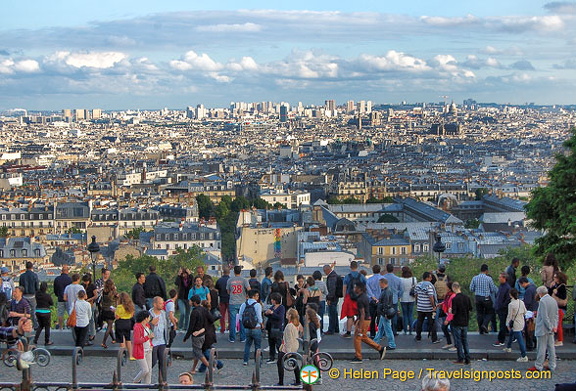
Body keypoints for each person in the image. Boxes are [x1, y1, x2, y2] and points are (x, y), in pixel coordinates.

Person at [350, 281, 386, 363]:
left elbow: (362, 313)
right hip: (366, 319)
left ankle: (358, 356)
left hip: (364, 320)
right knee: (363, 337)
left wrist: (359, 326)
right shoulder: (365, 297)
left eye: (356, 287)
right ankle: (379, 348)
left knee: (358, 337)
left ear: (359, 289)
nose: (354, 289)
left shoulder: (360, 299)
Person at [528, 286, 559, 372]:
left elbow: (544, 317)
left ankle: (538, 365)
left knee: (541, 348)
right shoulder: (553, 300)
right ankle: (552, 364)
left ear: (540, 293)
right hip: (552, 327)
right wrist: (554, 326)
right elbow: (556, 315)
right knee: (551, 348)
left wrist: (549, 326)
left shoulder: (542, 301)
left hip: (543, 328)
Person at [184, 295, 210, 374]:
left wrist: (186, 337)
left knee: (198, 352)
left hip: (196, 335)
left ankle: (210, 366)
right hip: (203, 334)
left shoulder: (194, 312)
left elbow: (191, 326)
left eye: (190, 301)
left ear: (194, 302)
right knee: (196, 352)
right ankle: (193, 368)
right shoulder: (203, 310)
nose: (189, 302)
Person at [469, 264, 498, 334]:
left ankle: (480, 329)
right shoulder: (488, 278)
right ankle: (485, 324)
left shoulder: (475, 278)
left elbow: (471, 288)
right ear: (486, 271)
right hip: (486, 298)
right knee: (490, 312)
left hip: (478, 298)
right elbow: (493, 289)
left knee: (479, 314)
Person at [276, 308, 302, 386]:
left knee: (280, 363)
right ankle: (298, 380)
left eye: (287, 314)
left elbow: (289, 340)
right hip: (294, 346)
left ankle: (281, 382)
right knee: (294, 363)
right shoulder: (297, 324)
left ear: (290, 315)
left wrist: (288, 351)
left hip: (288, 348)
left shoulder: (289, 326)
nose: (286, 315)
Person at [197, 300, 224, 374]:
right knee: (205, 351)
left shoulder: (203, 314)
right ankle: (202, 368)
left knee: (205, 351)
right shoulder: (209, 313)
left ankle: (218, 363)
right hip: (211, 335)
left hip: (206, 335)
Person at [342, 261, 367, 338]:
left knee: (350, 316)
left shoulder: (347, 276)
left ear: (350, 267)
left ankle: (348, 332)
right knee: (360, 314)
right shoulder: (361, 276)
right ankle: (360, 331)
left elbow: (344, 288)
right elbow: (365, 286)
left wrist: (344, 297)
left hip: (350, 297)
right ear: (357, 267)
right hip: (359, 296)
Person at [226, 265, 250, 343]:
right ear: (241, 271)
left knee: (232, 320)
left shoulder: (230, 280)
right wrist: (246, 295)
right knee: (242, 320)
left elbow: (228, 291)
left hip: (232, 302)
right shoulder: (244, 280)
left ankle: (232, 338)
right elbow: (249, 289)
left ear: (234, 271)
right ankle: (242, 337)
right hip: (242, 302)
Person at [450, 282, 472, 365]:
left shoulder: (455, 299)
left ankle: (460, 358)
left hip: (457, 322)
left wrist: (450, 311)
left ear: (453, 288)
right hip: (465, 321)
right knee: (465, 341)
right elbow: (470, 308)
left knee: (458, 341)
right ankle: (468, 358)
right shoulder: (467, 298)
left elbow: (454, 312)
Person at [240, 289, 263, 366]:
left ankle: (245, 361)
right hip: (256, 328)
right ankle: (257, 361)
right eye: (257, 296)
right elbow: (259, 316)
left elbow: (240, 316)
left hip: (247, 328)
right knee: (257, 346)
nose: (258, 297)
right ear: (253, 296)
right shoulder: (257, 305)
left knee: (247, 345)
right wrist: (261, 324)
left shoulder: (244, 304)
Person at [414, 272, 439, 344]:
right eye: (430, 277)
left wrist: (417, 303)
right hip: (428, 308)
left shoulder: (418, 285)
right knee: (432, 323)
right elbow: (431, 297)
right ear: (427, 278)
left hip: (420, 307)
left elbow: (416, 295)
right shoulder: (429, 286)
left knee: (419, 322)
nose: (431, 279)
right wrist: (434, 306)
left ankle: (418, 336)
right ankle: (434, 338)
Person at [504, 288, 528, 362]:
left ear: (510, 295)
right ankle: (508, 346)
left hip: (515, 323)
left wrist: (507, 324)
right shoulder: (521, 302)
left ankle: (524, 355)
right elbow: (525, 312)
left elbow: (509, 316)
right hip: (521, 321)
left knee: (519, 339)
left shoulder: (511, 304)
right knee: (512, 334)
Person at [149, 296, 169, 382]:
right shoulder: (149, 314)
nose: (162, 305)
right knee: (152, 362)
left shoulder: (164, 313)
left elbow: (167, 326)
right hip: (152, 342)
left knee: (163, 362)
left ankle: (162, 381)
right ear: (155, 304)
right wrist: (151, 323)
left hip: (162, 341)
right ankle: (142, 377)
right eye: (160, 303)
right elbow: (143, 327)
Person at [373, 278, 395, 350]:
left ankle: (392, 344)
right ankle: (375, 342)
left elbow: (385, 303)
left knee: (387, 329)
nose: (379, 285)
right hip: (384, 313)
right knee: (381, 328)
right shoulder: (388, 291)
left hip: (384, 313)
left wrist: (385, 312)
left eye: (380, 283)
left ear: (383, 283)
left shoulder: (385, 292)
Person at [133, 310, 153, 384]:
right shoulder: (137, 327)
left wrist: (151, 344)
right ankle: (135, 381)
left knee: (149, 370)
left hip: (148, 349)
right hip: (140, 350)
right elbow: (136, 340)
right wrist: (148, 337)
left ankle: (147, 386)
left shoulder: (147, 326)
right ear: (145, 318)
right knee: (145, 370)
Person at [264, 292, 285, 364]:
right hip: (270, 327)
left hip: (277, 327)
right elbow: (268, 314)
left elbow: (280, 317)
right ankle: (271, 357)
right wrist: (267, 313)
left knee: (278, 343)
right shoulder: (272, 307)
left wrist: (272, 313)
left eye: (272, 299)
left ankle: (281, 358)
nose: (271, 301)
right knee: (271, 343)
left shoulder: (281, 307)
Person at [383, 264, 403, 335]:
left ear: (386, 269)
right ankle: (394, 331)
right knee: (394, 316)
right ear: (393, 269)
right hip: (394, 299)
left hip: (385, 299)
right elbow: (401, 290)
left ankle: (385, 331)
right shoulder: (398, 279)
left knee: (385, 316)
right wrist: (398, 296)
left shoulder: (383, 278)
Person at [519, 277, 538, 351]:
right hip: (535, 309)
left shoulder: (528, 290)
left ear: (523, 283)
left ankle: (529, 345)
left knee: (528, 330)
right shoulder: (534, 287)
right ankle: (535, 342)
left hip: (530, 311)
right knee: (532, 329)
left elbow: (527, 302)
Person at [19, 261, 39, 329]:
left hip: (24, 295)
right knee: (33, 311)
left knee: (24, 311)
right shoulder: (34, 275)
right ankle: (35, 325)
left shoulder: (22, 276)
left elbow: (20, 287)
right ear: (32, 267)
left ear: (26, 267)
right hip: (32, 295)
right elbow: (37, 287)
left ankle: (24, 325)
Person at [115, 292, 135, 359]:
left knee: (121, 340)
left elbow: (117, 317)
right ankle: (131, 355)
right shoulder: (130, 306)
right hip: (128, 322)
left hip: (120, 322)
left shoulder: (119, 307)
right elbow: (132, 315)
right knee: (128, 339)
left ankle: (123, 354)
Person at [493, 272, 511, 347]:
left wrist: (502, 306)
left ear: (504, 278)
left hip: (503, 309)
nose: (499, 278)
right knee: (502, 323)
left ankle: (501, 339)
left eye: (500, 277)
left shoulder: (507, 287)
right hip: (499, 308)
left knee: (502, 324)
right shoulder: (501, 286)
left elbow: (507, 299)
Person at [550, 272, 568, 346]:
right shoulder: (557, 285)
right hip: (558, 307)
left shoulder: (562, 286)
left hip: (560, 308)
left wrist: (556, 293)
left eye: (555, 277)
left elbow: (563, 296)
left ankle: (560, 340)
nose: (554, 278)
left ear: (559, 278)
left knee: (558, 324)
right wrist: (552, 287)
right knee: (558, 323)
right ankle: (559, 339)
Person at [33, 281, 53, 346]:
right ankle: (47, 341)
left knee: (40, 326)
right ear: (46, 288)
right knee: (47, 326)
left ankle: (35, 339)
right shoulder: (47, 296)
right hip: (46, 312)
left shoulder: (37, 295)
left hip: (38, 312)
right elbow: (51, 303)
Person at [100, 279, 118, 348]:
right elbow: (117, 298)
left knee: (109, 325)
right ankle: (103, 342)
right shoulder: (113, 292)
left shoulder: (104, 291)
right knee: (109, 326)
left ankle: (113, 338)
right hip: (111, 310)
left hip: (104, 310)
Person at [366, 265, 383, 338]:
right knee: (380, 318)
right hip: (381, 300)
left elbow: (368, 291)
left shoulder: (369, 280)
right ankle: (380, 333)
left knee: (372, 318)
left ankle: (372, 334)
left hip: (372, 300)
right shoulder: (383, 279)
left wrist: (373, 297)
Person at [323, 264, 340, 335]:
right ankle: (336, 328)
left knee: (331, 313)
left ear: (327, 270)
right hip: (336, 296)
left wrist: (329, 298)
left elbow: (332, 289)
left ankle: (331, 329)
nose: (324, 272)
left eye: (324, 271)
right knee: (334, 313)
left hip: (333, 297)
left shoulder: (331, 277)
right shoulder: (335, 275)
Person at [53, 265, 72, 330]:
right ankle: (71, 326)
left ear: (61, 271)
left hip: (60, 298)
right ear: (67, 271)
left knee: (60, 314)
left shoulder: (57, 279)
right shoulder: (70, 279)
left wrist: (58, 295)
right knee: (70, 312)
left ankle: (60, 327)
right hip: (68, 299)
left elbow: (55, 290)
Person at [400, 266, 417, 335]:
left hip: (403, 298)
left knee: (404, 314)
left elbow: (400, 289)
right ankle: (411, 329)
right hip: (411, 298)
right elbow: (416, 288)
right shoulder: (413, 279)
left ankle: (405, 329)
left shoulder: (401, 279)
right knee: (410, 314)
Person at [81, 274, 97, 345]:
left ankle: (92, 333)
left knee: (91, 318)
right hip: (85, 302)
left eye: (86, 281)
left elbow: (96, 295)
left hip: (91, 303)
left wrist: (89, 299)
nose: (85, 283)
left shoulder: (92, 286)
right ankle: (88, 333)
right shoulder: (83, 285)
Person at [440, 282, 455, 350]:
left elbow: (451, 308)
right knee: (444, 328)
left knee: (452, 329)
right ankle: (450, 343)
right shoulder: (448, 295)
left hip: (451, 315)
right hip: (447, 313)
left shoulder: (452, 296)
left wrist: (448, 319)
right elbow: (446, 302)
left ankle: (456, 345)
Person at [215, 266, 230, 334]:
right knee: (230, 315)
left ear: (223, 272)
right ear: (229, 273)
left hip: (222, 299)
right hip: (230, 299)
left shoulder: (219, 280)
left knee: (222, 315)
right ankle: (230, 327)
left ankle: (222, 328)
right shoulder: (231, 280)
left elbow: (216, 290)